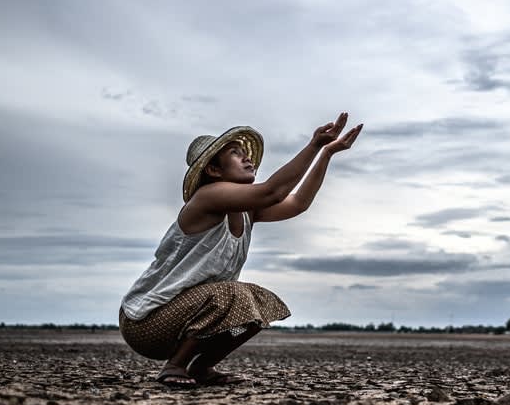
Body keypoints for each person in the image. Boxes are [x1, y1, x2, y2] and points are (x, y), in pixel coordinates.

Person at [119, 113, 362, 386]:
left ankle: (201, 367)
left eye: (246, 153)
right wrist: (313, 145)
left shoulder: (247, 211)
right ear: (213, 171)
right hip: (147, 322)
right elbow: (272, 192)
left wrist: (326, 154)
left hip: (187, 318)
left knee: (257, 302)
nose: (248, 158)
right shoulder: (208, 198)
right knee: (232, 292)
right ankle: (174, 366)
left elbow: (297, 203)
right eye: (236, 154)